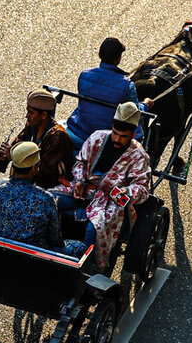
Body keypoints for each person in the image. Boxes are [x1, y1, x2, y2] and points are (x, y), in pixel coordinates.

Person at [65, 102, 152, 270]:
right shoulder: (97, 137)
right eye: (115, 133)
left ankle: (89, 270)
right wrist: (80, 181)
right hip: (86, 190)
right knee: (50, 200)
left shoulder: (139, 156)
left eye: (123, 136)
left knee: (94, 229)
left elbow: (141, 191)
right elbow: (80, 163)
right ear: (111, 127)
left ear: (133, 134)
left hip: (111, 202)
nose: (117, 139)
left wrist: (117, 190)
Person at [0, 142, 64, 251]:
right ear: (33, 169)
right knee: (78, 247)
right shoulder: (46, 199)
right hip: (34, 259)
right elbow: (55, 239)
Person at [64, 38, 142, 147]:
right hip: (106, 140)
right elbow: (133, 112)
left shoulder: (84, 75)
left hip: (78, 132)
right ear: (119, 59)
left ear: (99, 54)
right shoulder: (127, 85)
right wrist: (146, 105)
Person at [0, 89, 75, 189]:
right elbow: (16, 147)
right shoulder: (31, 127)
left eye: (31, 113)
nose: (27, 116)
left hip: (49, 186)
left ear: (44, 115)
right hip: (27, 183)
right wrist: (3, 157)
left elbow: (43, 173)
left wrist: (14, 157)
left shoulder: (58, 138)